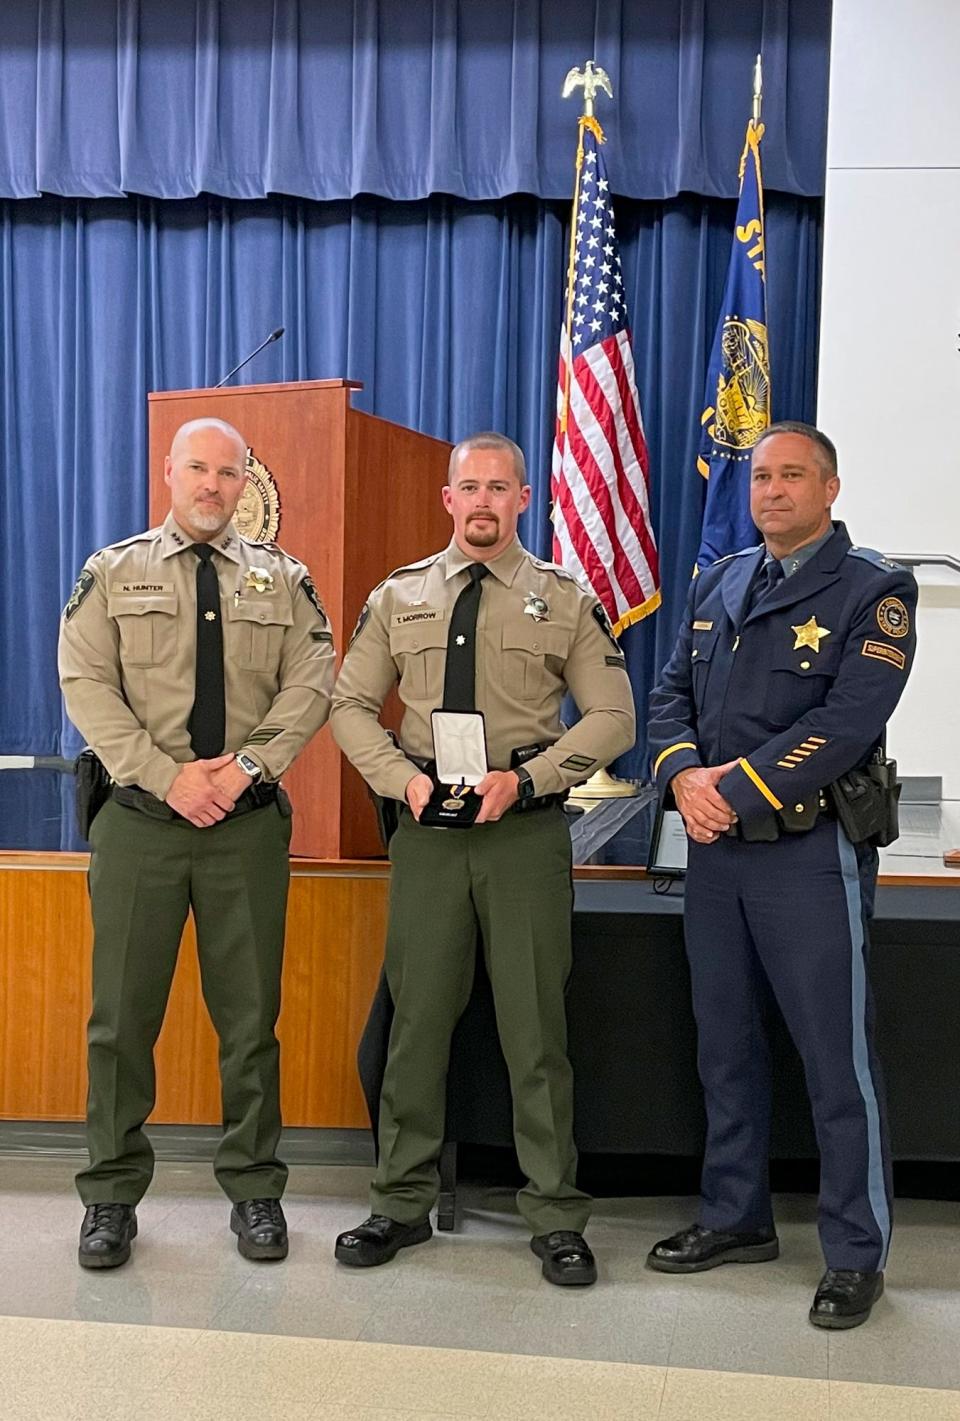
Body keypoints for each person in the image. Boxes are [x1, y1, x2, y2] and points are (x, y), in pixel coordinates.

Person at [330, 431, 635, 1286]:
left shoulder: (562, 599)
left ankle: (555, 1214)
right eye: (470, 487)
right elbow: (350, 701)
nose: (484, 502)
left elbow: (614, 716)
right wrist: (399, 780)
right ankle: (398, 1201)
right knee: (417, 1021)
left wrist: (529, 780)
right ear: (448, 498)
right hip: (427, 832)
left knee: (535, 1029)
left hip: (522, 833)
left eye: (501, 487)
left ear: (525, 500)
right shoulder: (401, 596)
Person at [647, 422, 917, 1329]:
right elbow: (668, 695)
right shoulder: (719, 580)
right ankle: (735, 1215)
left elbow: (847, 722)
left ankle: (854, 1251)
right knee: (724, 1049)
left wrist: (732, 787)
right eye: (762, 476)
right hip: (716, 855)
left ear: (830, 488)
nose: (773, 490)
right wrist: (684, 776)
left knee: (837, 1064)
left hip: (808, 855)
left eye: (793, 475)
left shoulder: (874, 590)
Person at [58, 417, 335, 1270]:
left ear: (245, 482)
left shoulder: (284, 580)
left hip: (242, 831)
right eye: (199, 469)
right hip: (141, 825)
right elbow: (84, 682)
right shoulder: (113, 571)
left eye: (228, 472)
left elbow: (312, 678)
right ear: (169, 472)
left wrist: (247, 766)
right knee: (120, 1023)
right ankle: (109, 1196)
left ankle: (255, 1190)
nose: (213, 486)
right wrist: (164, 774)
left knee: (251, 1022)